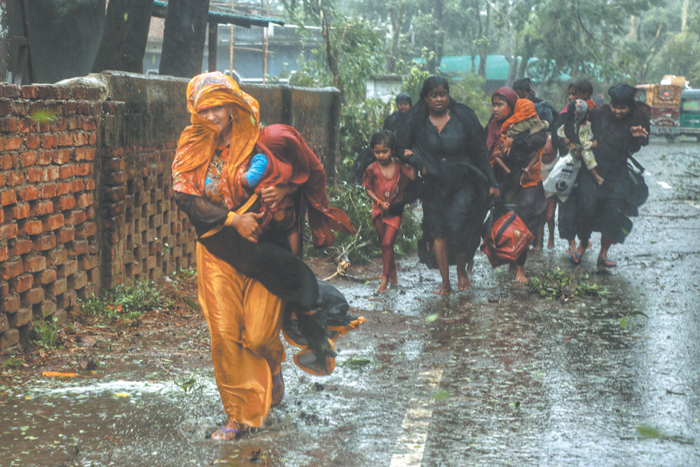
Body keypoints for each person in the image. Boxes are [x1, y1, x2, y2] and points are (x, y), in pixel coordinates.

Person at [171, 72, 364, 440]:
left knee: (259, 336)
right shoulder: (192, 144)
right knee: (224, 336)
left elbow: (301, 173)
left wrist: (284, 190)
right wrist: (233, 218)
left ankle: (273, 366)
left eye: (216, 108)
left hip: (264, 254)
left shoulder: (261, 144)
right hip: (217, 249)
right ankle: (237, 416)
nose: (209, 117)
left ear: (233, 106)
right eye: (202, 110)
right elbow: (184, 196)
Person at [399, 76, 499, 294]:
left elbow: (480, 152)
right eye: (433, 95)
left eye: (442, 94)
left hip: (463, 181)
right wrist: (418, 163)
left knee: (459, 228)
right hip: (433, 185)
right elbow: (401, 147)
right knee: (437, 231)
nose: (439, 99)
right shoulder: (418, 121)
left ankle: (461, 271)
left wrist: (492, 181)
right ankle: (445, 282)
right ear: (425, 98)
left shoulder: (463, 117)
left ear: (448, 94)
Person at [574, 83, 650, 267]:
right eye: (615, 106)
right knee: (586, 208)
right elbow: (581, 129)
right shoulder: (599, 112)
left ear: (630, 106)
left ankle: (603, 253)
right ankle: (583, 244)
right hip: (593, 169)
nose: (617, 111)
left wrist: (634, 135)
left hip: (617, 171)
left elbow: (639, 145)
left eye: (622, 108)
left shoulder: (637, 117)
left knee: (614, 211)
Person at [486, 87, 547, 282]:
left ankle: (520, 268)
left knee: (523, 220)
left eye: (500, 104)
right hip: (505, 179)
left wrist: (515, 140)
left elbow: (540, 137)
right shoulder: (493, 125)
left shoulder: (526, 120)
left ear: (512, 106)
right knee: (504, 220)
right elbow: (486, 149)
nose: (495, 109)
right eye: (493, 105)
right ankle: (507, 257)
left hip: (527, 178)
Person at [363, 130, 417, 293]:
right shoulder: (372, 169)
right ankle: (392, 270)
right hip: (378, 210)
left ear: (392, 150)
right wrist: (378, 202)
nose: (380, 155)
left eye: (384, 151)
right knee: (384, 245)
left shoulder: (400, 165)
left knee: (388, 243)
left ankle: (384, 280)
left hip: (395, 210)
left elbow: (413, 177)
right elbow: (367, 188)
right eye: (377, 152)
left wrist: (414, 159)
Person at [352, 92, 413, 184]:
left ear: (410, 105)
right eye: (400, 104)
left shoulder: (414, 119)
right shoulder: (392, 118)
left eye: (405, 104)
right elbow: (384, 132)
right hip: (389, 145)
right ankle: (361, 182)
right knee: (367, 155)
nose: (403, 106)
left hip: (406, 149)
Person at [536, 135, 558, 250]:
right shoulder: (537, 162)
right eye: (543, 155)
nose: (546, 158)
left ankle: (551, 238)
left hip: (551, 195)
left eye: (548, 155)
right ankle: (539, 243)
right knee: (540, 220)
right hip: (540, 195)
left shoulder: (557, 162)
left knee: (550, 217)